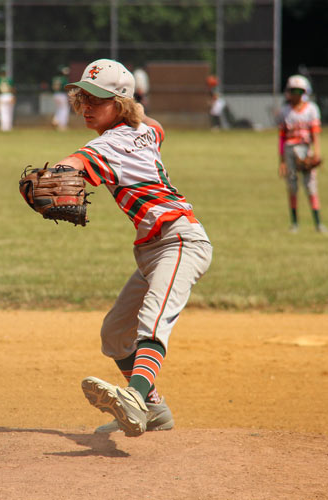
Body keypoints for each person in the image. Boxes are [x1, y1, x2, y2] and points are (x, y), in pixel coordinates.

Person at [53, 59, 212, 437]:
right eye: (83, 96)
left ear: (120, 103)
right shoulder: (144, 128)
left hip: (181, 240)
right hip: (153, 250)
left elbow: (77, 161)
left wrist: (55, 173)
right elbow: (157, 128)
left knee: (152, 321)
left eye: (98, 99)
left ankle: (136, 397)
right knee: (115, 333)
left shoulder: (107, 145)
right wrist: (135, 116)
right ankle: (155, 409)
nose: (87, 106)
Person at [278, 75, 327, 233]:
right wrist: (282, 161)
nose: (296, 94)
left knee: (311, 186)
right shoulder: (285, 111)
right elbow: (282, 137)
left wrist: (317, 153)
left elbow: (315, 133)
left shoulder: (312, 109)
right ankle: (295, 223)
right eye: (293, 90)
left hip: (306, 149)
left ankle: (318, 224)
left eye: (299, 91)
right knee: (292, 186)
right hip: (290, 150)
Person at [0, 67, 15, 131]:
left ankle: (4, 128)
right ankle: (9, 127)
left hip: (2, 96)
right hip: (9, 96)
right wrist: (13, 97)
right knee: (9, 112)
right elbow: (13, 89)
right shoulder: (9, 79)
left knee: (3, 112)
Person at [51, 66, 70, 131]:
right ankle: (62, 125)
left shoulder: (55, 78)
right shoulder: (64, 78)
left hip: (55, 94)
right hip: (62, 95)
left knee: (59, 109)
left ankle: (55, 120)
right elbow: (66, 87)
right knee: (64, 109)